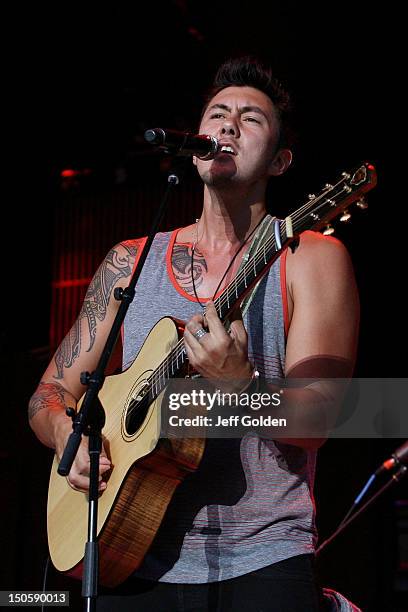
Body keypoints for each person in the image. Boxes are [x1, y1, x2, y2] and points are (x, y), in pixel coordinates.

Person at [29, 56, 359, 611]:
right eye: (217, 114)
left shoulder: (311, 257)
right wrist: (67, 436)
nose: (228, 125)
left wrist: (241, 388)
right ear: (197, 139)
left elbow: (320, 421)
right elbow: (48, 395)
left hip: (261, 558)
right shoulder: (128, 263)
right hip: (124, 554)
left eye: (251, 119)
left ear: (280, 162)